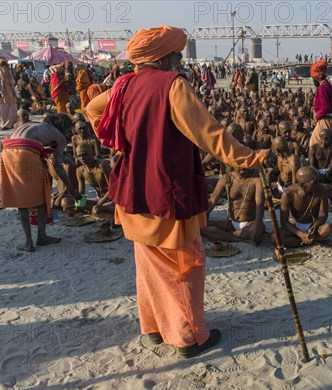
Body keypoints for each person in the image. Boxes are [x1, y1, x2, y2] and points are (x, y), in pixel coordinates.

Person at [86, 25, 273, 358]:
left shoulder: (123, 84)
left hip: (132, 190)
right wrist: (251, 157)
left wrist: (122, 143)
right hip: (166, 191)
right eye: (176, 54)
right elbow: (210, 135)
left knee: (149, 263)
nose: (180, 59)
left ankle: (155, 329)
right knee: (185, 263)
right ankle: (190, 337)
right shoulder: (173, 86)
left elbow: (94, 110)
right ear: (165, 57)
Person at [0, 120, 81, 252]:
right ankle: (41, 236)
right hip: (24, 154)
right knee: (42, 196)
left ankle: (28, 242)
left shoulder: (34, 124)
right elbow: (58, 167)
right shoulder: (59, 136)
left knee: (21, 200)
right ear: (65, 129)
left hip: (7, 152)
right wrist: (72, 190)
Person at [201, 167, 265, 245]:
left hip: (250, 223)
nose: (242, 166)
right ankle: (236, 237)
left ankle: (224, 235)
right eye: (239, 163)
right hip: (231, 223)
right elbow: (212, 201)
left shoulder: (257, 179)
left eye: (244, 163)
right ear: (232, 163)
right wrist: (201, 217)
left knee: (258, 228)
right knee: (202, 227)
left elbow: (260, 204)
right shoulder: (226, 179)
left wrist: (258, 224)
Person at [275, 166, 332, 247]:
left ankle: (306, 240)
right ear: (302, 185)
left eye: (317, 181)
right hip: (295, 226)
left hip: (313, 226)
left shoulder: (321, 189)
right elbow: (284, 221)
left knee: (329, 228)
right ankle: (310, 240)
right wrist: (300, 234)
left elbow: (323, 215)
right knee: (274, 237)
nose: (318, 184)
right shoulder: (288, 194)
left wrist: (313, 228)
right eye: (314, 182)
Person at [308, 60, 332, 150]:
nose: (314, 79)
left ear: (319, 76)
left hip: (325, 119)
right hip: (330, 118)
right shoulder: (329, 85)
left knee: (314, 142)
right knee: (330, 141)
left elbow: (325, 106)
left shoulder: (322, 87)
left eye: (315, 77)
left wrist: (317, 116)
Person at [0, 57, 18, 129]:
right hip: (3, 95)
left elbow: (13, 83)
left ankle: (13, 124)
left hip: (12, 94)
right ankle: (6, 125)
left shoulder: (10, 72)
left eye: (5, 64)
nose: (4, 66)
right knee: (4, 111)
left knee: (13, 109)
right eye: (2, 64)